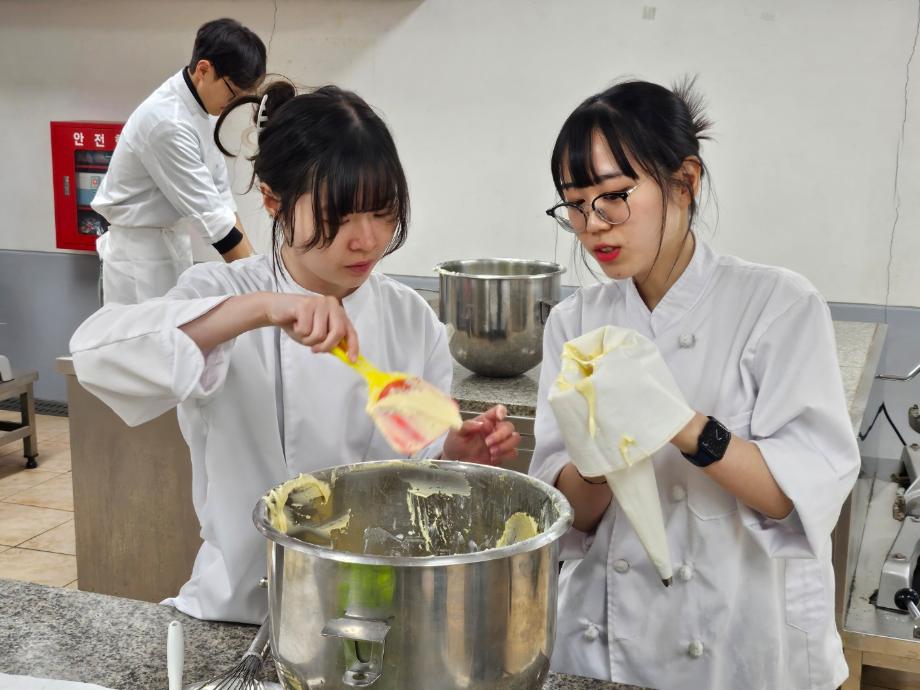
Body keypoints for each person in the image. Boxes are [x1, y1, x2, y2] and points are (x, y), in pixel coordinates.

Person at [71, 82, 520, 623]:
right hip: (239, 606)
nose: (367, 239)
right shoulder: (224, 294)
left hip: (371, 614)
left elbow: (415, 475)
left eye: (382, 212)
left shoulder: (410, 319)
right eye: (340, 215)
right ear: (273, 201)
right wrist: (261, 309)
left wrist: (454, 455)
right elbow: (96, 353)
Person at [529, 79, 859, 690]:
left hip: (736, 642)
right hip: (601, 648)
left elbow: (792, 497)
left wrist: (680, 425)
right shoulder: (575, 323)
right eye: (575, 205)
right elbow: (568, 515)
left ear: (684, 182)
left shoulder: (776, 305)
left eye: (614, 197)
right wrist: (598, 461)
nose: (593, 225)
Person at [92, 18, 266, 305]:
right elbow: (211, 218)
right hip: (138, 259)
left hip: (167, 244)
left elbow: (221, 199)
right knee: (146, 332)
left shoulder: (201, 111)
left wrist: (253, 267)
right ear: (204, 70)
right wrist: (259, 289)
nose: (233, 103)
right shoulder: (167, 122)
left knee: (174, 326)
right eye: (233, 92)